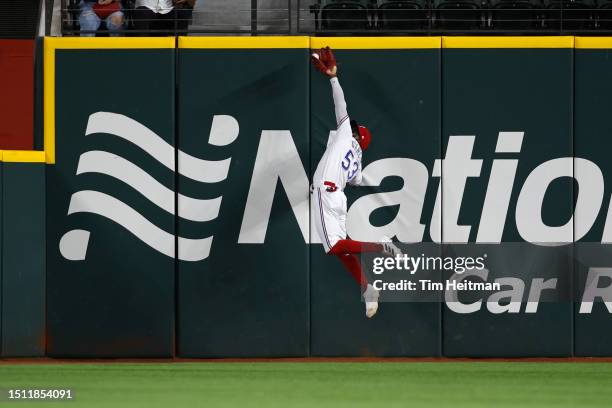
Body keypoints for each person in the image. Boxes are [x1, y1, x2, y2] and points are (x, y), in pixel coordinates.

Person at [311, 47, 402, 319]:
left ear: (354, 134)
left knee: (336, 248)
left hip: (327, 194)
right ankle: (367, 289)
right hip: (337, 196)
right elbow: (357, 179)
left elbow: (341, 105)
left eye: (354, 128)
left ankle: (380, 247)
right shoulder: (357, 154)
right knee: (342, 250)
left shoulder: (343, 135)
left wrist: (333, 78)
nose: (351, 127)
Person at [132, 0, 197, 35]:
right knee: (142, 12)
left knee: (182, 13)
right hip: (146, 8)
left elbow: (192, 3)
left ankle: (178, 48)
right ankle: (143, 47)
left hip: (167, 9)